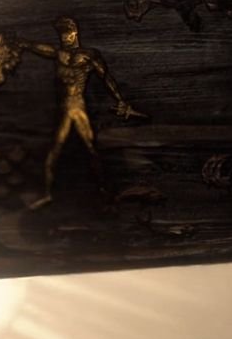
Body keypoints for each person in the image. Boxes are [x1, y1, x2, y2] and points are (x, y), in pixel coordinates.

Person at [12, 16, 145, 209]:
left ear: (75, 33)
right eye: (62, 35)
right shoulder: (59, 54)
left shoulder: (89, 55)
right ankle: (47, 193)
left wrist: (120, 100)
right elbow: (38, 47)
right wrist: (23, 43)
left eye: (67, 34)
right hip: (65, 108)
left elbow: (107, 78)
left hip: (77, 106)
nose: (64, 38)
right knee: (55, 149)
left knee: (90, 148)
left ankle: (104, 190)